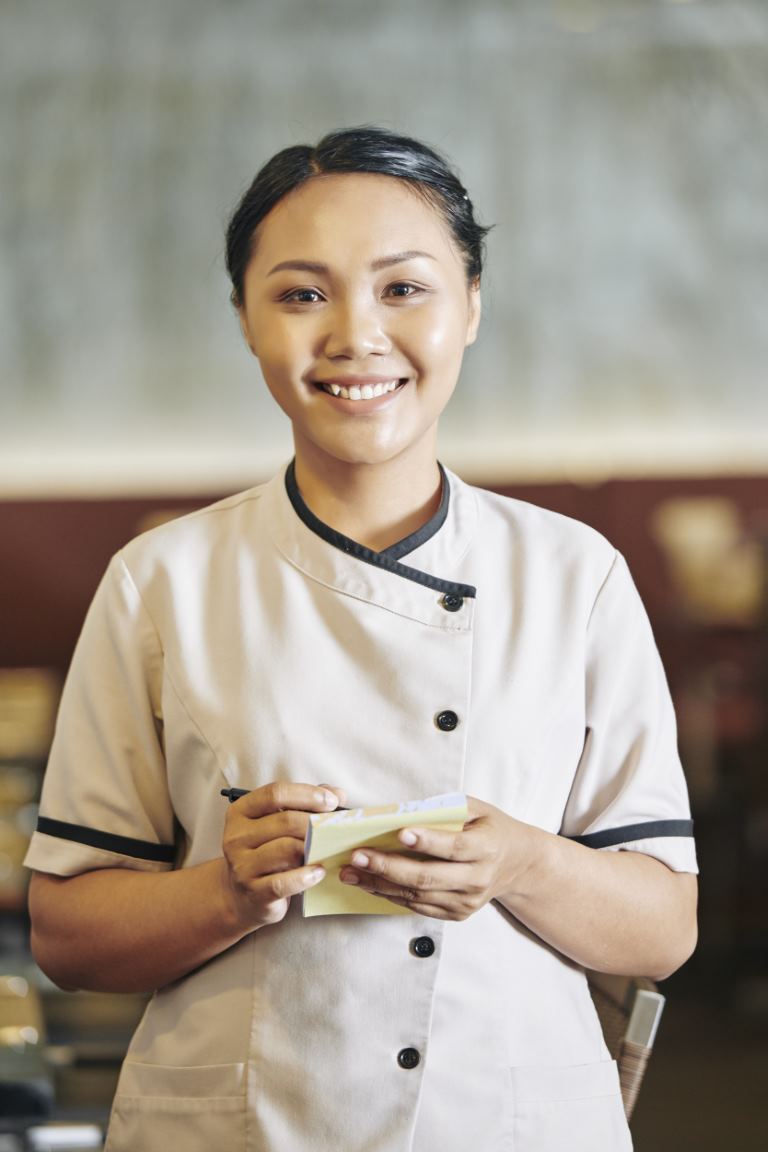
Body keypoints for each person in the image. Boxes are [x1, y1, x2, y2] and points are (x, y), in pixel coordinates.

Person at [25, 126, 698, 1152]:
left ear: (471, 305)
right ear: (246, 320)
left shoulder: (576, 575)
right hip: (238, 1127)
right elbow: (67, 933)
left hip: (508, 1121)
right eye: (302, 294)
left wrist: (518, 861)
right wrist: (227, 890)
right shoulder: (161, 581)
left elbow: (664, 928)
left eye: (403, 289)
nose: (355, 335)